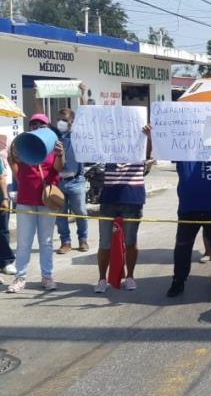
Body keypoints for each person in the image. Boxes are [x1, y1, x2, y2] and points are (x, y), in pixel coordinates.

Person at [167, 121, 211, 298]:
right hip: (189, 208)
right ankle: (178, 281)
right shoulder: (184, 152)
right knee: (182, 247)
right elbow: (164, 145)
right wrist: (152, 134)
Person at [6, 113, 64, 293]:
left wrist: (60, 154)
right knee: (24, 242)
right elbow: (14, 164)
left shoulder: (54, 147)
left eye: (41, 124)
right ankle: (20, 277)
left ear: (47, 127)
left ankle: (47, 277)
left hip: (46, 201)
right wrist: (16, 168)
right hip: (25, 201)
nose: (36, 126)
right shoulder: (24, 144)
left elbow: (58, 169)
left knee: (46, 241)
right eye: (33, 124)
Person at [93, 124, 152, 293]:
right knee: (104, 243)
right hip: (109, 199)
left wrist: (148, 136)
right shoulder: (109, 148)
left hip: (132, 199)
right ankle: (102, 279)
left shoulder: (139, 148)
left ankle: (130, 277)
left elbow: (147, 152)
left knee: (130, 242)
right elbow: (93, 145)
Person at [55, 102, 89, 254]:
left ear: (72, 121)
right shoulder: (55, 136)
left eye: (64, 119)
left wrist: (82, 94)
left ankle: (83, 240)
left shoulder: (80, 135)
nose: (61, 122)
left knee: (81, 212)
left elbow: (86, 115)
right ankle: (65, 242)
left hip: (76, 181)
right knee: (61, 215)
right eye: (59, 119)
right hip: (58, 182)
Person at [0, 155, 16, 280]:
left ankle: (6, 262)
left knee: (3, 232)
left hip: (1, 201)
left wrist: (5, 198)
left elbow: (1, 178)